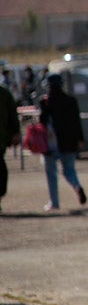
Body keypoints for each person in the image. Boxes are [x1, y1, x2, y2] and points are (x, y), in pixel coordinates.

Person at [39, 73, 87, 212]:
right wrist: (80, 139)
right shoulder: (71, 100)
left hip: (50, 143)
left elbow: (42, 122)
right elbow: (77, 122)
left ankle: (54, 202)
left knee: (51, 173)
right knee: (69, 170)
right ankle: (76, 186)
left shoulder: (45, 102)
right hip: (69, 141)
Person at [0, 80, 20, 213]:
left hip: (1, 139)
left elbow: (12, 115)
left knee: (1, 171)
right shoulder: (4, 93)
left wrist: (16, 132)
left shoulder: (4, 94)